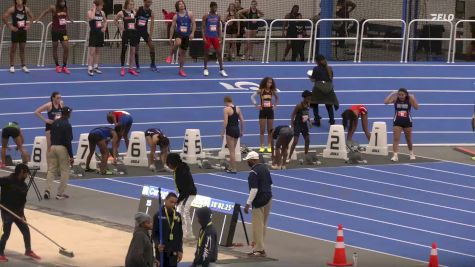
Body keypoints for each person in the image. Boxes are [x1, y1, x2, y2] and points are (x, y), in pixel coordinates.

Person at [0, 164, 41, 262]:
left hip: (18, 212)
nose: (27, 176)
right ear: (21, 172)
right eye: (26, 173)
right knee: (6, 233)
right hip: (6, 211)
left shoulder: (24, 186)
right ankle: (0, 253)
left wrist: (21, 215)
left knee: (26, 230)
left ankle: (28, 250)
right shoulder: (7, 180)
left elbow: (22, 202)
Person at [243, 151, 272, 257]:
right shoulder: (265, 168)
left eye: (248, 160)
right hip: (268, 199)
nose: (247, 162)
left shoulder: (253, 172)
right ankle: (260, 248)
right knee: (263, 225)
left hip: (259, 201)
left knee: (257, 226)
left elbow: (254, 190)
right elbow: (269, 183)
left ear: (252, 160)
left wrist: (247, 204)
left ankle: (258, 249)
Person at [166, 153, 197, 240]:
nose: (168, 166)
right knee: (181, 212)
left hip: (189, 193)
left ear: (171, 164)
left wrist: (178, 200)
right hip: (184, 193)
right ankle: (183, 233)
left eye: (168, 164)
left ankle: (189, 234)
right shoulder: (178, 169)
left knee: (184, 211)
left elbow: (185, 188)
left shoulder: (181, 172)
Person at [35, 0, 71, 74]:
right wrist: (38, 19)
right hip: (55, 32)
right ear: (58, 2)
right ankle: (57, 66)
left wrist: (70, 19)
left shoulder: (65, 8)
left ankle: (64, 66)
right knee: (55, 47)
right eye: (61, 1)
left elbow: (67, 15)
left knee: (66, 47)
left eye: (64, 1)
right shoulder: (53, 7)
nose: (63, 3)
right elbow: (45, 12)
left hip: (64, 32)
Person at [45, 106, 73, 200]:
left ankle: (47, 190)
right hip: (62, 148)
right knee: (64, 171)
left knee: (51, 170)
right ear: (68, 114)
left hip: (52, 147)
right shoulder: (67, 125)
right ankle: (59, 194)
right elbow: (68, 141)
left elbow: (51, 135)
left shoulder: (55, 122)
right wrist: (71, 155)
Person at [384, 88, 419, 162]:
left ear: (406, 94)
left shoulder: (409, 99)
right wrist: (391, 94)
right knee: (396, 139)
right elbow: (386, 102)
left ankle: (411, 153)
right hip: (397, 121)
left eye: (402, 95)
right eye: (399, 94)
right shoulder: (395, 99)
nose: (401, 96)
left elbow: (417, 107)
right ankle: (395, 155)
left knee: (408, 139)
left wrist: (413, 98)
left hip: (407, 122)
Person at [2, 0, 34, 74]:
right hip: (15, 31)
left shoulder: (26, 9)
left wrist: (29, 25)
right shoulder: (12, 9)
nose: (19, 1)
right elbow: (4, 17)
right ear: (15, 1)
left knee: (22, 49)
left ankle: (23, 65)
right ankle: (12, 65)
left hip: (23, 31)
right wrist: (9, 26)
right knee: (13, 49)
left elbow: (32, 17)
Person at [166, 0, 196, 77]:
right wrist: (170, 37)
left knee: (182, 54)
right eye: (179, 4)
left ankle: (181, 70)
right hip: (178, 33)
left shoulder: (190, 13)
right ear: (177, 7)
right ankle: (170, 55)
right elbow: (172, 27)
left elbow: (194, 23)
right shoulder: (176, 16)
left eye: (182, 4)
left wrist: (192, 33)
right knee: (178, 43)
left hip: (186, 35)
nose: (181, 5)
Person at [152, 192, 183, 267]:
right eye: (171, 202)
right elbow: (154, 234)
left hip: (173, 252)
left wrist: (180, 250)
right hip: (161, 251)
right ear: (165, 200)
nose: (173, 205)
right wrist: (157, 244)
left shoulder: (178, 216)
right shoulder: (158, 215)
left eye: (175, 203)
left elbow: (179, 235)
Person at [251, 77, 279, 153]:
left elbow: (277, 98)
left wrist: (275, 106)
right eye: (268, 82)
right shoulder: (261, 91)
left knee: (270, 130)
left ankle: (269, 146)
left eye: (270, 83)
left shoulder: (272, 91)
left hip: (270, 111)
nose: (269, 84)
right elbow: (252, 97)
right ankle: (262, 146)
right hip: (263, 111)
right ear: (265, 83)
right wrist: (256, 105)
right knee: (262, 130)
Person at [309, 55, 339, 126]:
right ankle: (332, 121)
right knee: (329, 105)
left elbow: (313, 80)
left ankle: (317, 120)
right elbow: (330, 79)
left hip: (318, 88)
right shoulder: (329, 68)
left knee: (314, 103)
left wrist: (309, 77)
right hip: (328, 89)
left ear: (317, 62)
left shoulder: (316, 69)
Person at [202, 2, 228, 77]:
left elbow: (219, 28)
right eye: (214, 7)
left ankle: (222, 69)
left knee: (219, 53)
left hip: (215, 37)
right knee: (206, 53)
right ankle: (205, 68)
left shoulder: (218, 16)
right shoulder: (206, 16)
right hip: (208, 37)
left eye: (216, 7)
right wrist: (203, 37)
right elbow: (203, 28)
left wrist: (220, 36)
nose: (215, 9)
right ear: (210, 7)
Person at [115, 0, 139, 76]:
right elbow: (115, 20)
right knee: (124, 50)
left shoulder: (134, 12)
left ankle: (131, 68)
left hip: (133, 33)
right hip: (126, 34)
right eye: (130, 4)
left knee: (132, 51)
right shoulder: (121, 12)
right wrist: (121, 27)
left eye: (133, 4)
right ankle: (122, 68)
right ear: (127, 4)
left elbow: (137, 21)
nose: (132, 6)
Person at [221, 96, 244, 174]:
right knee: (233, 150)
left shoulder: (226, 109)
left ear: (226, 102)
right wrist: (242, 131)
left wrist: (222, 131)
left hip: (230, 131)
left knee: (231, 152)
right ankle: (231, 167)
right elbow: (242, 120)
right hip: (237, 130)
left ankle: (234, 169)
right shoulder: (238, 108)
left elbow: (225, 122)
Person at [288, 90, 312, 160]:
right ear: (305, 97)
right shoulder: (299, 106)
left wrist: (309, 121)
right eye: (309, 97)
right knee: (295, 141)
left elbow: (306, 114)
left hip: (304, 125)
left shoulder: (308, 104)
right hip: (297, 124)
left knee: (307, 140)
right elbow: (293, 115)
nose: (310, 98)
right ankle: (289, 157)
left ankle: (306, 155)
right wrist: (292, 125)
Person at [135, 0, 157, 72]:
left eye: (150, 2)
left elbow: (152, 24)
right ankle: (137, 66)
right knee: (136, 49)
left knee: (152, 46)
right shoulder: (138, 9)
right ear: (144, 2)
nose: (148, 3)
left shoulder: (151, 12)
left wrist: (150, 35)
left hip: (144, 32)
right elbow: (132, 19)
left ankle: (153, 64)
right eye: (147, 2)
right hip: (136, 31)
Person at [87, 0, 107, 76]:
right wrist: (94, 8)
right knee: (92, 52)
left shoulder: (102, 13)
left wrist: (104, 28)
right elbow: (92, 18)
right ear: (96, 5)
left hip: (100, 34)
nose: (102, 7)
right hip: (93, 34)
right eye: (101, 5)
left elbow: (105, 21)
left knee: (98, 52)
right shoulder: (90, 12)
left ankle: (96, 66)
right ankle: (90, 68)